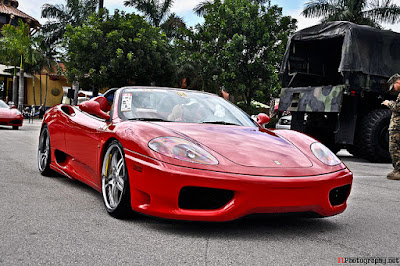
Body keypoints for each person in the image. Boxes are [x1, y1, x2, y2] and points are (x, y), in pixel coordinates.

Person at [382, 73, 400, 180]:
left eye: (393, 86)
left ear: (397, 82)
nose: (393, 89)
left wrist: (388, 103)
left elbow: (398, 108)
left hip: (397, 127)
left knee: (395, 148)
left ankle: (398, 171)